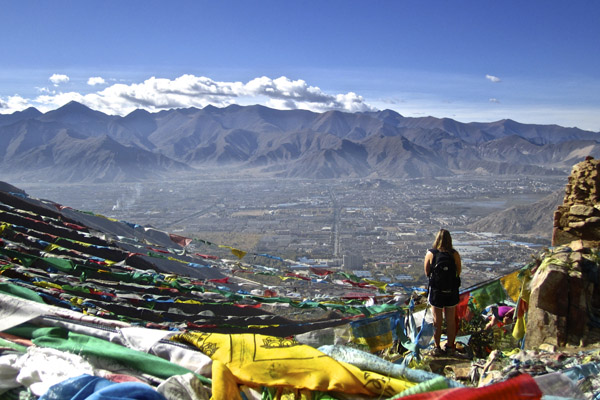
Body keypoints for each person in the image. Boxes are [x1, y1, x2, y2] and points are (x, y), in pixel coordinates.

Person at [423, 229, 462, 356]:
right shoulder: (454, 254)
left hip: (436, 292)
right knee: (450, 320)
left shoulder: (431, 253)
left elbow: (427, 272)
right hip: (451, 291)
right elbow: (458, 272)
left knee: (437, 320)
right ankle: (450, 346)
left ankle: (436, 347)